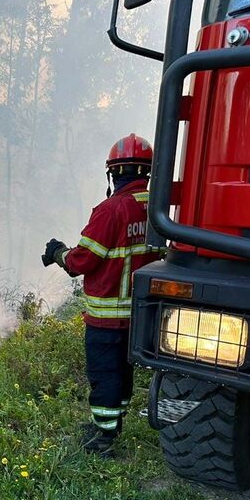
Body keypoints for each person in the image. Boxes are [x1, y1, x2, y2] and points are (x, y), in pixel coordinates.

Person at [42, 134, 161, 455]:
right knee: (123, 372)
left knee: (104, 373)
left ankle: (104, 437)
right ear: (147, 172)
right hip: (140, 315)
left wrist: (57, 253)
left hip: (107, 317)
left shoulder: (111, 211)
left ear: (114, 173)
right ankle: (113, 420)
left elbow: (82, 261)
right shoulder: (157, 208)